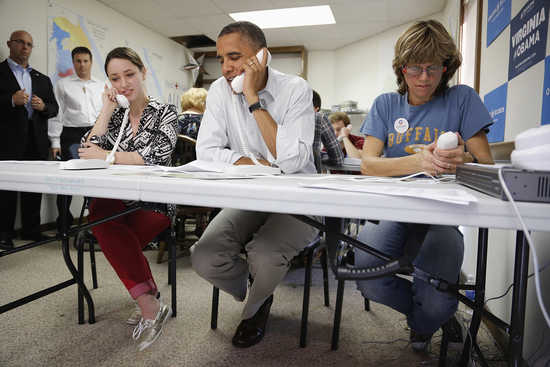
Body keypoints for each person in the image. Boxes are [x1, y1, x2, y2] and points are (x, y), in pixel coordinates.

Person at [355, 19, 494, 353]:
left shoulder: (462, 98)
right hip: (393, 208)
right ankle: (431, 318)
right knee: (366, 276)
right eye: (415, 68)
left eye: (433, 68)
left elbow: (486, 164)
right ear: (402, 68)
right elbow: (368, 164)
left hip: (443, 212)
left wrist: (465, 160)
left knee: (435, 302)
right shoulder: (386, 104)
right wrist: (416, 162)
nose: (424, 78)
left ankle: (428, 318)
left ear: (446, 68)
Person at [191, 21, 318, 348]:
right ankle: (257, 285)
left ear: (262, 55)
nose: (226, 68)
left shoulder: (296, 90)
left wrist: (252, 97)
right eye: (220, 59)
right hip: (251, 194)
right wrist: (252, 163)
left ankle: (257, 306)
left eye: (234, 57)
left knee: (264, 253)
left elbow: (291, 162)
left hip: (299, 198)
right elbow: (205, 151)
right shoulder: (219, 90)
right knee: (205, 255)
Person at [79, 47, 177, 351]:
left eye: (129, 74)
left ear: (143, 72)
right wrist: (106, 112)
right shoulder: (117, 115)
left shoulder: (166, 112)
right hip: (118, 203)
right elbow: (87, 152)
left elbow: (154, 156)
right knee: (101, 213)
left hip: (155, 204)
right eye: (115, 78)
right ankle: (150, 303)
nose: (123, 83)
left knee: (105, 228)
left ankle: (148, 301)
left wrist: (107, 156)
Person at [0, 30, 59, 250]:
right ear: (9, 44)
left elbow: (54, 108)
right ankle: (4, 233)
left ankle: (31, 230)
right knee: (4, 190)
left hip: (37, 142)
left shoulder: (42, 79)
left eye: (29, 44)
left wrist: (43, 107)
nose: (25, 47)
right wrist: (10, 100)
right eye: (20, 43)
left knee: (33, 188)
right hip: (6, 142)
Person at [48, 46, 104, 231]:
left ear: (91, 62)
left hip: (95, 135)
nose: (82, 65)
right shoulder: (63, 84)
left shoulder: (102, 84)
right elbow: (58, 115)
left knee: (96, 180)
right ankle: (63, 225)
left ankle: (94, 225)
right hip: (70, 134)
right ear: (73, 63)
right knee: (67, 182)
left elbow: (107, 114)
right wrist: (55, 141)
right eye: (78, 61)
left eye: (85, 61)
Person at [312, 90, 343, 172]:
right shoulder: (319, 118)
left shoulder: (280, 118)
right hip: (309, 176)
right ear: (316, 109)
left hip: (279, 177)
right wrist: (318, 157)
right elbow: (338, 158)